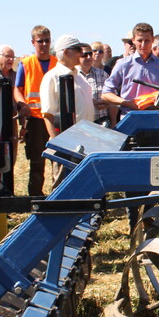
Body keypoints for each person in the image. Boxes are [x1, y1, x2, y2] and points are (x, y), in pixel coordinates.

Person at [14, 25, 53, 196]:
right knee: (37, 161)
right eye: (40, 41)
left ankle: (58, 195)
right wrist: (23, 104)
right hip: (35, 119)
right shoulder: (26, 64)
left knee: (59, 159)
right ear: (33, 42)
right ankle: (36, 196)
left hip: (54, 117)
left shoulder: (57, 63)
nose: (44, 44)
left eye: (47, 41)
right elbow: (17, 89)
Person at [101, 22, 159, 119]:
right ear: (133, 40)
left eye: (147, 41)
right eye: (140, 40)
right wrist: (127, 103)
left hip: (156, 118)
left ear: (153, 40)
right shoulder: (123, 64)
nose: (143, 45)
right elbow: (105, 94)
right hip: (129, 117)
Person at [40, 34, 95, 138]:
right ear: (65, 52)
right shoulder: (52, 77)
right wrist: (56, 141)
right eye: (77, 49)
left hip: (87, 136)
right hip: (69, 138)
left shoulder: (78, 75)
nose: (81, 53)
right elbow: (48, 114)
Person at [79, 42, 112, 126]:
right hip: (80, 124)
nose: (89, 57)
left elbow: (112, 99)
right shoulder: (73, 76)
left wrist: (107, 103)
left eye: (90, 54)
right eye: (84, 55)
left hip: (102, 122)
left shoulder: (103, 74)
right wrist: (91, 103)